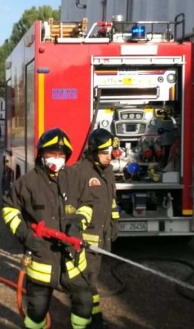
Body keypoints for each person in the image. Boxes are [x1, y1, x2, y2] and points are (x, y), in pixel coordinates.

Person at [2, 128, 95, 329]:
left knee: (84, 304)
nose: (56, 159)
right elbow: (9, 208)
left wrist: (78, 225)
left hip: (73, 260)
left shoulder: (75, 178)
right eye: (51, 154)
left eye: (61, 155)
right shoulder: (28, 182)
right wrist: (25, 235)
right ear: (41, 154)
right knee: (36, 311)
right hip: (41, 261)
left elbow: (87, 204)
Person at [69, 128, 121, 329]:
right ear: (93, 151)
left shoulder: (107, 172)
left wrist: (114, 223)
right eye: (105, 152)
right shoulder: (79, 172)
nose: (110, 157)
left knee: (92, 280)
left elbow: (111, 202)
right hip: (84, 241)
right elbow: (69, 207)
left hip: (100, 237)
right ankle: (86, 321)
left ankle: (95, 318)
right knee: (85, 282)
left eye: (111, 152)